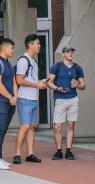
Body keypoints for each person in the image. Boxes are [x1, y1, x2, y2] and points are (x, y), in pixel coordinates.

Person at [13, 34, 47, 164]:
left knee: (32, 127)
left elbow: (31, 79)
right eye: (38, 43)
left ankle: (30, 154)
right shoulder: (23, 60)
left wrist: (40, 82)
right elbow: (19, 80)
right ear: (30, 44)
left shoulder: (34, 61)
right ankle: (17, 154)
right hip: (25, 98)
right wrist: (36, 84)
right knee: (25, 126)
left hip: (34, 98)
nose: (39, 45)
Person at [47, 45, 85, 160]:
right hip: (60, 99)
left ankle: (68, 151)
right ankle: (59, 151)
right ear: (63, 54)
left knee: (71, 125)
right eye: (68, 52)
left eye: (72, 52)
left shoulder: (78, 68)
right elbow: (49, 82)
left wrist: (77, 84)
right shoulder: (56, 66)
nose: (70, 54)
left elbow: (83, 85)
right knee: (57, 127)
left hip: (73, 99)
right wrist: (58, 88)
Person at [0, 38, 17, 170]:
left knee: (3, 130)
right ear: (4, 48)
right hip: (2, 101)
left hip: (10, 101)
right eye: (11, 48)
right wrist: (10, 97)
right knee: (0, 130)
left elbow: (14, 81)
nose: (13, 50)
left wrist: (15, 96)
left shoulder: (9, 64)